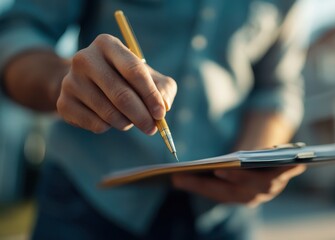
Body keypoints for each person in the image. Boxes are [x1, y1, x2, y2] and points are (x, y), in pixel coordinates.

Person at [0, 0, 307, 239]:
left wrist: (254, 158)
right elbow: (18, 36)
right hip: (87, 200)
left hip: (222, 217)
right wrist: (61, 81)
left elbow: (278, 88)